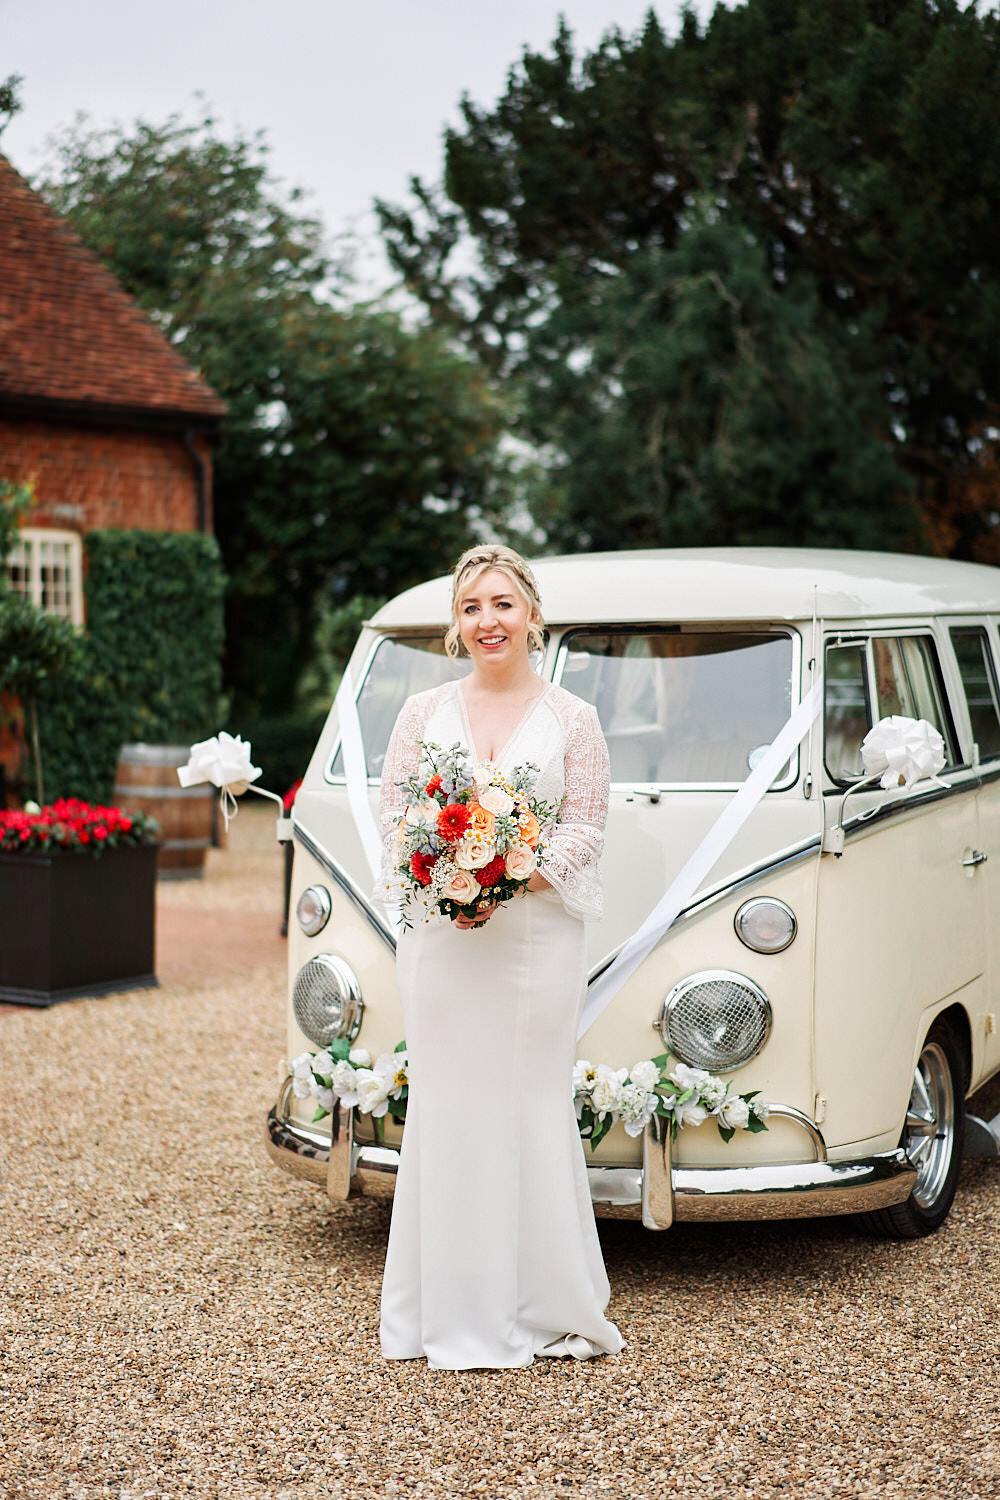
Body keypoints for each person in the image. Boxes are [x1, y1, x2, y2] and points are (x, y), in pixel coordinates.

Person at [376, 543, 624, 1369]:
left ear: (532, 616)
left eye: (503, 604)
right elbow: (397, 817)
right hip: (445, 947)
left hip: (536, 941)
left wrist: (511, 869)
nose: (489, 621)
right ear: (458, 623)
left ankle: (543, 1301)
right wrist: (449, 871)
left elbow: (586, 826)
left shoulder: (574, 719)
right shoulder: (422, 715)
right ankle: (438, 1309)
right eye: (473, 607)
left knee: (526, 1106)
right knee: (449, 1106)